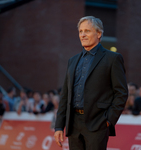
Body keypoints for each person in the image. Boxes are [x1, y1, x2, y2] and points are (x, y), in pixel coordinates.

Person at [54, 16, 128, 150]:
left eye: (87, 31)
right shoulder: (72, 60)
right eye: (80, 31)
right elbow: (65, 95)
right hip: (73, 124)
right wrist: (59, 126)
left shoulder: (113, 59)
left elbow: (121, 93)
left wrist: (108, 120)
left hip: (97, 123)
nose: (82, 35)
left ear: (99, 33)